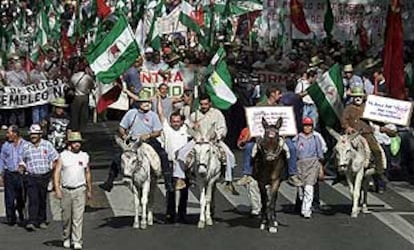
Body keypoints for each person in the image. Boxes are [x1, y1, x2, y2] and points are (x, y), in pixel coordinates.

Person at [99, 90, 174, 198]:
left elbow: (158, 132)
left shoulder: (153, 115)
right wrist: (124, 135)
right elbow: (122, 127)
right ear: (139, 103)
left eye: (148, 102)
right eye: (144, 102)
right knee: (117, 157)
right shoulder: (131, 113)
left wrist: (148, 135)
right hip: (133, 141)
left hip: (149, 140)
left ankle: (168, 182)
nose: (147, 104)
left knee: (163, 154)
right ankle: (109, 181)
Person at [177, 94, 238, 194]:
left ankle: (228, 180)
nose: (204, 106)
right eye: (202, 104)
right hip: (197, 141)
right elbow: (187, 126)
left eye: (206, 104)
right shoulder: (195, 115)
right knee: (182, 153)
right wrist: (193, 127)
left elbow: (222, 128)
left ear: (209, 103)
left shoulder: (217, 113)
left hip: (213, 141)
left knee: (228, 155)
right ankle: (181, 178)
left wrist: (217, 135)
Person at [54, 132, 92, 250]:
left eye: (79, 142)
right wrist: (57, 189)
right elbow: (57, 173)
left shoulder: (84, 156)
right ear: (69, 143)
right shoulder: (63, 156)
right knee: (66, 217)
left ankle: (77, 240)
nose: (77, 145)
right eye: (75, 142)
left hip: (80, 189)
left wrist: (89, 189)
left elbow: (87, 173)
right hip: (66, 189)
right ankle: (66, 237)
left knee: (78, 217)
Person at [20, 124, 61, 231]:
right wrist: (21, 167)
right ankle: (32, 221)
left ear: (40, 135)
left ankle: (42, 220)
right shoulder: (26, 147)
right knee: (33, 199)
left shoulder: (47, 145)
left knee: (42, 199)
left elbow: (56, 158)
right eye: (31, 134)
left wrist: (53, 170)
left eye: (35, 134)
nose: (33, 136)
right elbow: (22, 160)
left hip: (44, 176)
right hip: (32, 176)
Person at [341, 87, 386, 182]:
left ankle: (379, 171)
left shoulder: (368, 107)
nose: (358, 98)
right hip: (353, 134)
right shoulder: (348, 108)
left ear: (363, 97)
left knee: (376, 150)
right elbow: (343, 121)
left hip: (366, 133)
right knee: (340, 149)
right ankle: (340, 170)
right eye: (356, 96)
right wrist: (347, 127)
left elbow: (377, 118)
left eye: (360, 96)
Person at [157, 95, 190, 223]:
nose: (176, 123)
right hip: (170, 164)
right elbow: (160, 113)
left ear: (181, 122)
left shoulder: (185, 129)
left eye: (178, 121)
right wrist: (159, 99)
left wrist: (189, 100)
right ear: (170, 122)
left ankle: (182, 215)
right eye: (173, 121)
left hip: (183, 164)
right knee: (170, 190)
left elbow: (190, 110)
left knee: (184, 191)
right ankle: (170, 215)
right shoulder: (166, 128)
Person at [294, 117, 326, 219]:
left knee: (309, 187)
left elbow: (320, 154)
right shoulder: (298, 138)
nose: (307, 128)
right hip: (300, 165)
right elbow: (293, 151)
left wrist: (320, 168)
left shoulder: (316, 138)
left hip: (312, 164)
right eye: (305, 126)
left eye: (309, 126)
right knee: (301, 189)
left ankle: (306, 210)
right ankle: (302, 203)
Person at [0, 125, 28, 226]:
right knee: (9, 198)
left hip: (21, 175)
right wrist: (1, 174)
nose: (7, 135)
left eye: (9, 133)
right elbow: (1, 160)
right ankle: (11, 218)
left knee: (21, 197)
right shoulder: (6, 145)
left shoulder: (26, 145)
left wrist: (24, 167)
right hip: (9, 174)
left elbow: (28, 158)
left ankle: (20, 213)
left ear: (15, 134)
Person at [69, 59, 95, 132]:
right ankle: (82, 130)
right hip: (84, 97)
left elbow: (70, 85)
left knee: (75, 114)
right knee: (83, 115)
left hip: (76, 97)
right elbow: (92, 85)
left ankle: (74, 130)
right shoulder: (87, 77)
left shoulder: (73, 76)